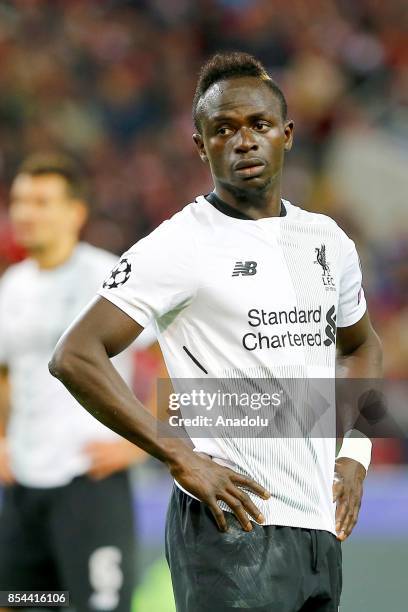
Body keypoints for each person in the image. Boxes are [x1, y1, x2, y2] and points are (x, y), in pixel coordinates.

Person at [49, 53, 382, 612]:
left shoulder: (324, 241)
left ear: (288, 135)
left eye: (259, 124)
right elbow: (75, 355)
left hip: (317, 527)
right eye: (223, 128)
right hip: (228, 530)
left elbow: (362, 345)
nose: (244, 140)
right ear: (201, 146)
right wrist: (178, 454)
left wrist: (356, 453)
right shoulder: (181, 244)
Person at [0, 154, 151, 612]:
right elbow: (6, 372)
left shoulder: (109, 278)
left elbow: (174, 359)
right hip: (25, 486)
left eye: (42, 201)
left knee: (94, 606)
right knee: (23, 602)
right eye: (20, 201)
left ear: (75, 212)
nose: (26, 213)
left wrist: (146, 441)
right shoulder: (13, 285)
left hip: (90, 482)